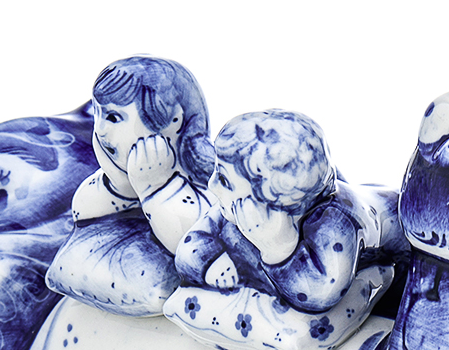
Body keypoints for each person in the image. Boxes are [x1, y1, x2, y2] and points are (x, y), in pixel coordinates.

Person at [175, 109, 373, 314]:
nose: (211, 185)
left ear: (271, 204)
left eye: (223, 180)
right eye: (217, 171)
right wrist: (210, 263)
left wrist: (278, 249)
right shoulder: (234, 208)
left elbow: (321, 294)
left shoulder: (335, 225)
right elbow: (187, 250)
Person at [71, 56, 215, 253]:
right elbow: (82, 211)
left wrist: (157, 189)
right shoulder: (109, 182)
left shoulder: (211, 187)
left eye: (113, 117)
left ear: (173, 121)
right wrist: (120, 183)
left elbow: (191, 246)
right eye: (98, 114)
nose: (100, 129)